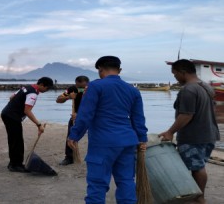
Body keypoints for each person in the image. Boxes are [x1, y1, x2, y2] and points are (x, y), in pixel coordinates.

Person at [67, 56, 148, 204]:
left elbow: (85, 115)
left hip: (103, 142)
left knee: (97, 184)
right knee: (126, 181)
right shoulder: (133, 90)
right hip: (127, 141)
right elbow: (138, 119)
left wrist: (74, 135)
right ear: (120, 70)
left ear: (100, 70)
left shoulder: (96, 87)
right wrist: (142, 139)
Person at [159, 59, 220, 204]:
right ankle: (196, 196)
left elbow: (186, 115)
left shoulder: (189, 89)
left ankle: (199, 198)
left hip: (194, 136)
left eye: (175, 74)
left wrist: (170, 132)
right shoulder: (205, 86)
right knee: (199, 165)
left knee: (197, 167)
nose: (175, 78)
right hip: (209, 134)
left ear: (183, 72)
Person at [1, 77, 54, 172]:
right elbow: (27, 111)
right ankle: (16, 165)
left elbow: (12, 97)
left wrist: (14, 107)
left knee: (14, 139)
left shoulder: (26, 87)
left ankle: (13, 163)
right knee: (17, 141)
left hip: (7, 114)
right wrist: (38, 125)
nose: (47, 90)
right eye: (47, 88)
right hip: (12, 116)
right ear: (41, 85)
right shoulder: (33, 93)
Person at [56, 75, 90, 166]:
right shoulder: (72, 89)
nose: (81, 89)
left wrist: (80, 115)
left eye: (83, 87)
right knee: (70, 136)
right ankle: (69, 157)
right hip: (75, 117)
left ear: (87, 84)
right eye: (79, 87)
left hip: (91, 117)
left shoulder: (93, 89)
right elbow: (58, 100)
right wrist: (68, 97)